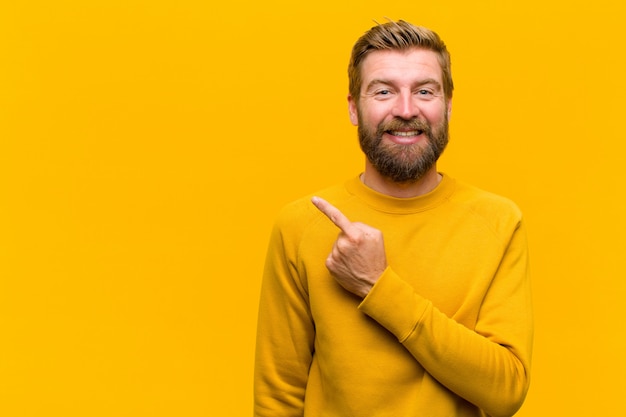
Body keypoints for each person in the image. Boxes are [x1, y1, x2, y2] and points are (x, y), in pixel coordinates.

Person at [254, 20, 533, 417]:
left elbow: (506, 392)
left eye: (424, 91)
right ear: (354, 108)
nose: (405, 110)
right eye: (383, 91)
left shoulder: (499, 222)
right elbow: (276, 397)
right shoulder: (300, 225)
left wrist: (378, 287)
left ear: (449, 105)